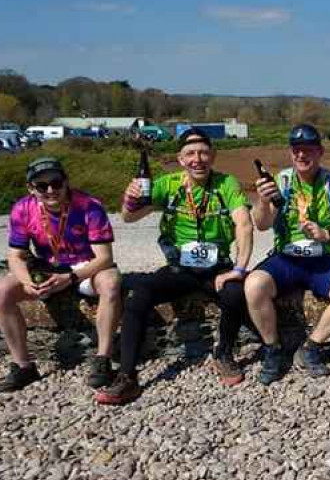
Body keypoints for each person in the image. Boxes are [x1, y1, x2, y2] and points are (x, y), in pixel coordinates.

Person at [95, 129, 254, 404]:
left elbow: (244, 224)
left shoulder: (226, 183)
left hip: (218, 266)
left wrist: (239, 269)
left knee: (236, 293)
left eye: (204, 153)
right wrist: (129, 198)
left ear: (213, 156)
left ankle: (224, 353)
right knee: (137, 296)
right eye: (190, 154)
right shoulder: (167, 184)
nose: (198, 159)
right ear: (180, 159)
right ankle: (127, 377)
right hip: (180, 268)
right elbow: (129, 217)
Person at [245, 123, 330, 384]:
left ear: (320, 152)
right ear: (291, 153)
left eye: (308, 150)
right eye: (296, 150)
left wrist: (329, 234)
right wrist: (262, 201)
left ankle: (311, 347)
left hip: (323, 258)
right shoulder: (281, 181)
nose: (302, 155)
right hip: (286, 258)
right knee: (254, 285)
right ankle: (272, 349)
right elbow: (262, 224)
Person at [0, 157, 121, 393]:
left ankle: (103, 360)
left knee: (111, 283)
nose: (51, 190)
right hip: (46, 268)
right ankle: (23, 367)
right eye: (42, 186)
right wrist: (26, 282)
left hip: (85, 267)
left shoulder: (89, 205)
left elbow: (105, 258)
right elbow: (15, 256)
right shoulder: (23, 208)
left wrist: (70, 278)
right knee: (1, 292)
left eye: (56, 183)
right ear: (31, 188)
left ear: (66, 182)